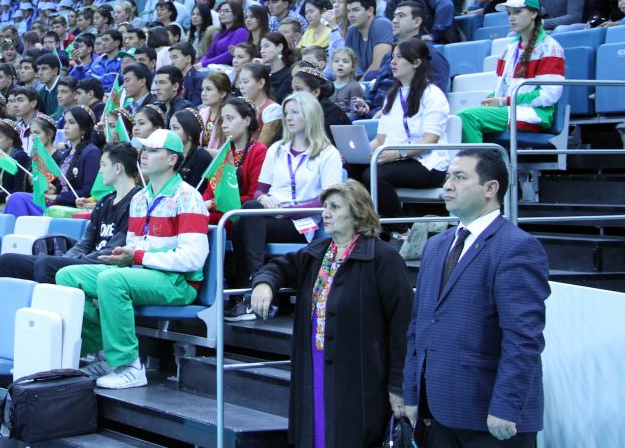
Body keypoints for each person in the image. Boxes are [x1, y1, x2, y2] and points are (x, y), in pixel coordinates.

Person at [402, 149, 549, 447]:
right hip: (437, 412)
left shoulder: (517, 247)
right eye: (447, 177)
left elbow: (523, 338)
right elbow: (419, 327)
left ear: (490, 189)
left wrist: (506, 406)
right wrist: (411, 392)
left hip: (492, 418)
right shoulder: (436, 246)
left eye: (460, 177)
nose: (447, 185)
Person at [250, 180, 412, 448]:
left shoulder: (383, 258)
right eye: (325, 206)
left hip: (359, 376)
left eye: (335, 207)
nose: (326, 212)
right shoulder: (318, 253)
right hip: (314, 366)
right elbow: (278, 267)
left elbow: (402, 326)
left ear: (358, 212)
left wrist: (398, 386)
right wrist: (265, 283)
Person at [56, 129, 210, 390]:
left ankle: (130, 366)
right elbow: (135, 246)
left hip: (177, 282)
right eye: (144, 150)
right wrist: (125, 257)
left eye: (153, 150)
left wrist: (138, 256)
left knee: (111, 281)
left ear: (173, 159)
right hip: (142, 274)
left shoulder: (188, 197)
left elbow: (193, 258)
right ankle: (105, 352)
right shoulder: (139, 199)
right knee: (67, 276)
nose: (144, 155)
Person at [225, 91, 344, 322]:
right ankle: (255, 289)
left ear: (310, 115)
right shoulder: (277, 149)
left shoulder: (328, 153)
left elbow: (330, 199)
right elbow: (261, 188)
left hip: (303, 222)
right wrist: (263, 200)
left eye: (295, 112)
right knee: (246, 216)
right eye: (286, 112)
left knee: (246, 218)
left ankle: (251, 293)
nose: (288, 117)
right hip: (268, 214)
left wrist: (285, 211)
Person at [0, 142, 137, 283]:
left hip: (101, 266)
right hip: (84, 261)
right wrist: (66, 260)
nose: (100, 171)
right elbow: (85, 243)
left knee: (45, 265)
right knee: (5, 262)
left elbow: (112, 251)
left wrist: (70, 263)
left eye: (104, 165)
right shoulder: (104, 201)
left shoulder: (137, 202)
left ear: (118, 168)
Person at [351, 39, 450, 220]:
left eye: (399, 57)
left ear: (416, 63)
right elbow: (380, 140)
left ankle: (398, 229)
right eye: (392, 57)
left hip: (428, 163)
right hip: (397, 158)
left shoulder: (433, 94)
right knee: (352, 169)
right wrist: (361, 153)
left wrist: (397, 154)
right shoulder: (392, 96)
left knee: (374, 174)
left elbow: (430, 141)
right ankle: (365, 224)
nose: (393, 62)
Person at [458, 0, 565, 143]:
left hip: (536, 113)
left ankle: (479, 165)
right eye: (509, 13)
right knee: (458, 118)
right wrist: (491, 100)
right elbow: (500, 87)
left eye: (517, 12)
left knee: (467, 117)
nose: (511, 18)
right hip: (512, 109)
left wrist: (503, 101)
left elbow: (549, 95)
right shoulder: (508, 48)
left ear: (533, 13)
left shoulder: (550, 47)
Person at [291, 66, 351, 145]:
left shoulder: (334, 113)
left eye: (299, 89)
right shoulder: (293, 110)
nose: (293, 95)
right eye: (293, 90)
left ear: (316, 92)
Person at [344, 0, 395, 79]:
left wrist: (358, 87)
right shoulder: (352, 30)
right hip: (369, 81)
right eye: (348, 11)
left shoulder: (381, 25)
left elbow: (378, 66)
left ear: (370, 11)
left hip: (388, 80)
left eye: (355, 10)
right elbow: (345, 63)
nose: (350, 15)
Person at [236, 62, 282, 146]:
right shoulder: (242, 107)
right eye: (240, 82)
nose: (241, 87)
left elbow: (261, 147)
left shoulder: (272, 109)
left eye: (245, 82)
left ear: (261, 83)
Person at [168, 109, 213, 189]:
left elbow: (196, 191)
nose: (171, 133)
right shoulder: (169, 154)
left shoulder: (201, 157)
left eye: (175, 128)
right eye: (170, 128)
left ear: (190, 133)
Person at [198, 1, 249, 68]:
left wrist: (204, 64)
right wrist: (199, 64)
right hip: (215, 68)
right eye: (220, 11)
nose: (222, 13)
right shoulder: (219, 34)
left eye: (226, 11)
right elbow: (208, 55)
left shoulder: (241, 32)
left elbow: (230, 54)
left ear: (236, 13)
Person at [197, 71, 231, 150]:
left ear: (222, 94)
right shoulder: (201, 113)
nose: (203, 93)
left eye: (208, 89)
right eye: (203, 89)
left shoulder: (230, 117)